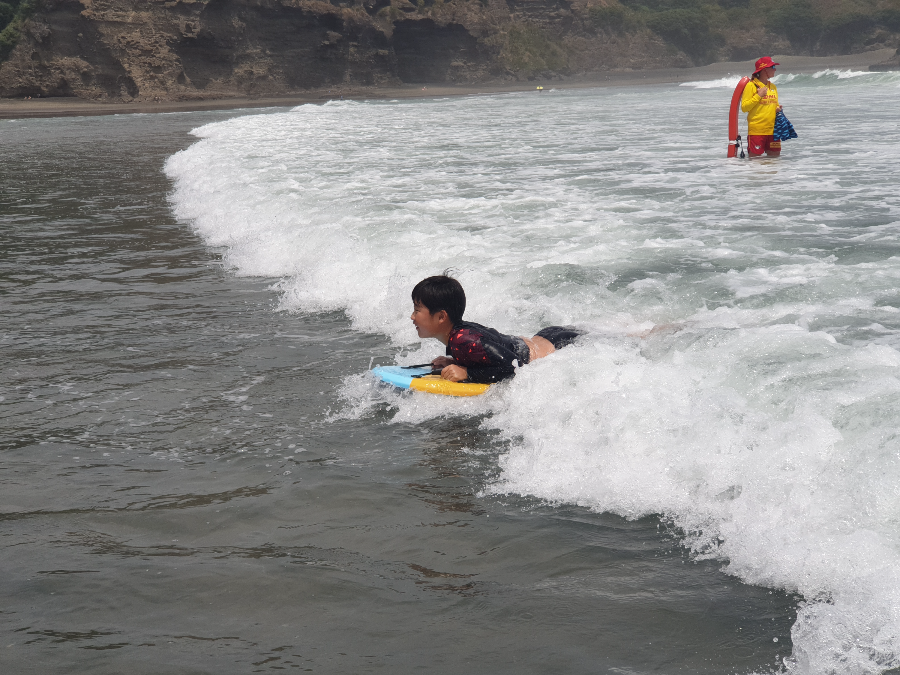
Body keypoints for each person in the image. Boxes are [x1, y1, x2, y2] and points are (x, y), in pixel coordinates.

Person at [410, 275, 583, 384]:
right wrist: (455, 362)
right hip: (548, 338)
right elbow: (488, 357)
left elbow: (514, 366)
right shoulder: (459, 337)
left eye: (417, 310)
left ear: (441, 317)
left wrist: (467, 373)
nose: (412, 317)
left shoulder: (464, 339)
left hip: (560, 345)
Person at [741, 56, 783, 157]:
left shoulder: (772, 87)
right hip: (757, 130)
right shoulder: (751, 86)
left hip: (773, 130)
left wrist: (777, 109)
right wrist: (758, 95)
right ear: (764, 70)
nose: (775, 69)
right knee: (755, 161)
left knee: (775, 159)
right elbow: (744, 107)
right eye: (772, 67)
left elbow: (774, 104)